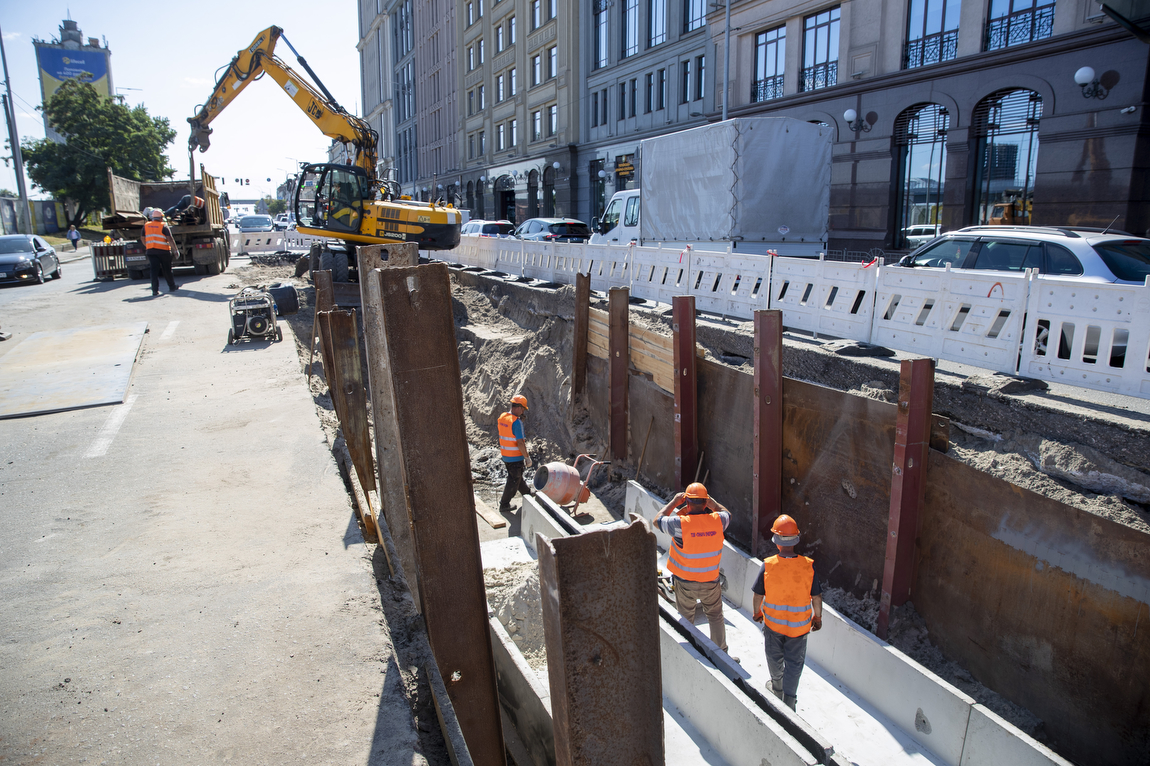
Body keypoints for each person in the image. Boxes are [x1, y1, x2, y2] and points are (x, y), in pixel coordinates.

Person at [752, 514, 823, 711]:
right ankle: (789, 702)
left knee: (774, 657)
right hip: (799, 628)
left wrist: (757, 612)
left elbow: (758, 594)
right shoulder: (809, 566)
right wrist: (817, 617)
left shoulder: (768, 565)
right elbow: (816, 597)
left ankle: (777, 688)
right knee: (794, 664)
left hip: (773, 625)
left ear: (775, 540)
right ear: (796, 539)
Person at [655, 482, 734, 658]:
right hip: (710, 581)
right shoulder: (719, 521)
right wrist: (712, 503)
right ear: (706, 503)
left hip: (685, 583)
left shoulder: (679, 524)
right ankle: (721, 654)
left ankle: (689, 652)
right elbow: (727, 513)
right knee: (715, 616)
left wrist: (674, 503)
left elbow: (657, 520)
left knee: (686, 618)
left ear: (687, 503)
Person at [497, 394, 533, 513]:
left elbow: (507, 433)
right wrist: (527, 458)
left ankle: (527, 493)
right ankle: (504, 504)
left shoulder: (503, 417)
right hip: (515, 457)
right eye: (522, 409)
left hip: (506, 455)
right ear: (517, 407)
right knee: (513, 480)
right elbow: (520, 443)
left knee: (517, 477)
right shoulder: (517, 423)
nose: (523, 412)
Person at [141, 209, 178, 297]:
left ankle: (154, 290)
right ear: (161, 218)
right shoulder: (163, 226)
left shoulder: (146, 226)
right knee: (167, 270)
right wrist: (175, 250)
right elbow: (170, 239)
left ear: (152, 218)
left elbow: (142, 238)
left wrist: (147, 245)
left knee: (154, 271)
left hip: (151, 252)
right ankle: (172, 287)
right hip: (164, 251)